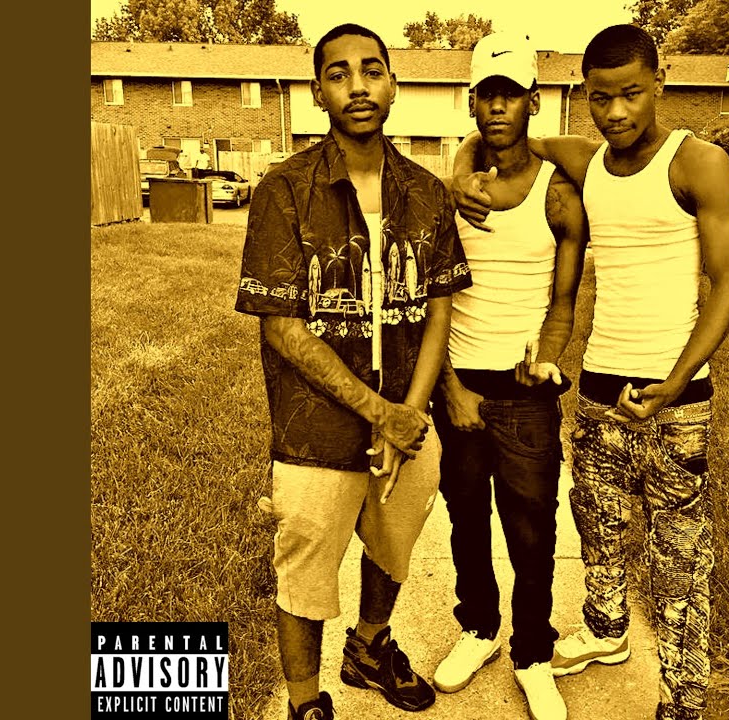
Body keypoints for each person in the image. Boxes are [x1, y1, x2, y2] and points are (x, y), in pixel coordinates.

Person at [451, 23, 729, 720]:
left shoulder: (697, 163)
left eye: (632, 94)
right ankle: (607, 632)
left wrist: (677, 380)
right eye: (600, 98)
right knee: (598, 525)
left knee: (679, 558)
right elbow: (497, 137)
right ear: (583, 95)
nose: (616, 113)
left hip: (677, 395)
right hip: (599, 386)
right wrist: (461, 172)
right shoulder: (587, 162)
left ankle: (683, 702)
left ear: (660, 83)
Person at [235, 23, 471, 720]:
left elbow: (438, 310)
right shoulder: (284, 190)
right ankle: (305, 701)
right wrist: (380, 413)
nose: (357, 85)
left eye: (372, 70)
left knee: (395, 543)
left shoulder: (426, 193)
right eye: (338, 74)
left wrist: (411, 414)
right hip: (315, 430)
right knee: (305, 570)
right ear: (318, 92)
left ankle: (369, 646)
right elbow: (282, 326)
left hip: (408, 421)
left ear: (393, 84)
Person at [429, 32, 588, 720]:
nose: (498, 107)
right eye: (487, 95)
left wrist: (548, 354)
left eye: (511, 95)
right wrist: (449, 388)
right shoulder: (451, 194)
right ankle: (480, 628)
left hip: (527, 394)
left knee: (532, 531)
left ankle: (532, 653)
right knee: (466, 520)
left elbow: (563, 301)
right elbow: (429, 297)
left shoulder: (559, 194)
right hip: (461, 386)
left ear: (533, 101)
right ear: (472, 103)